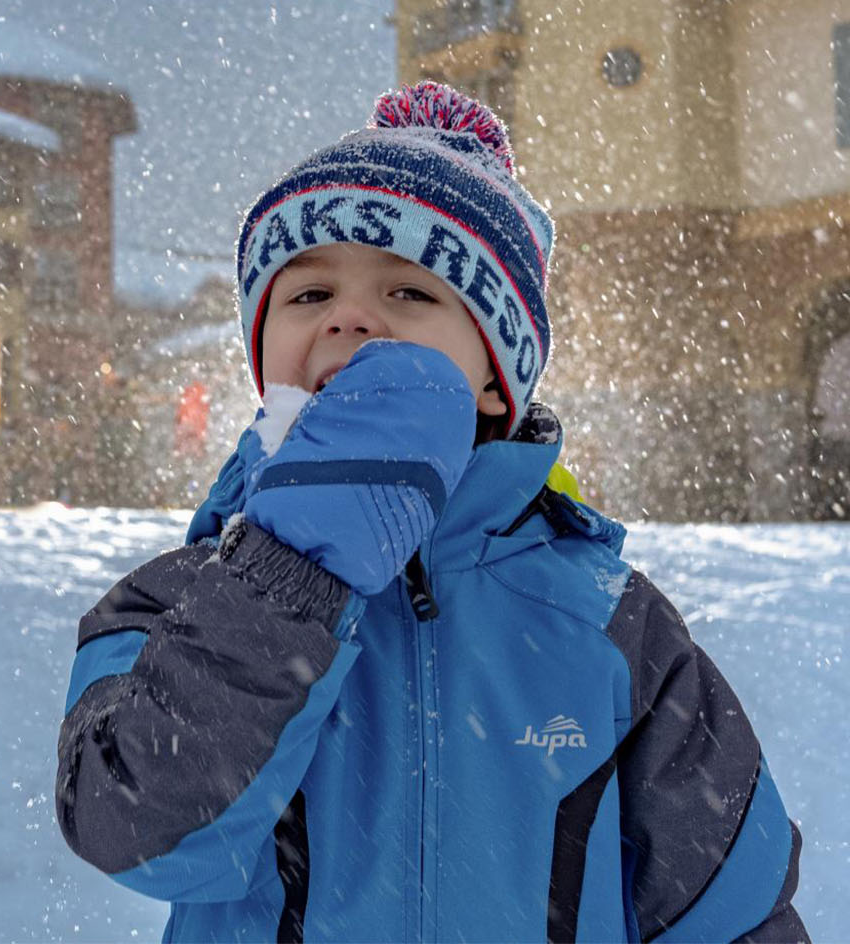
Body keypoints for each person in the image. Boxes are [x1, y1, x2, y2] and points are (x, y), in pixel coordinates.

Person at [56, 83, 806, 942]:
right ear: (263, 365)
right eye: (307, 297)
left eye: (409, 294)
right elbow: (139, 834)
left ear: (495, 373)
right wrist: (292, 566)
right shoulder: (183, 599)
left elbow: (729, 909)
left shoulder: (609, 626)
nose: (351, 318)